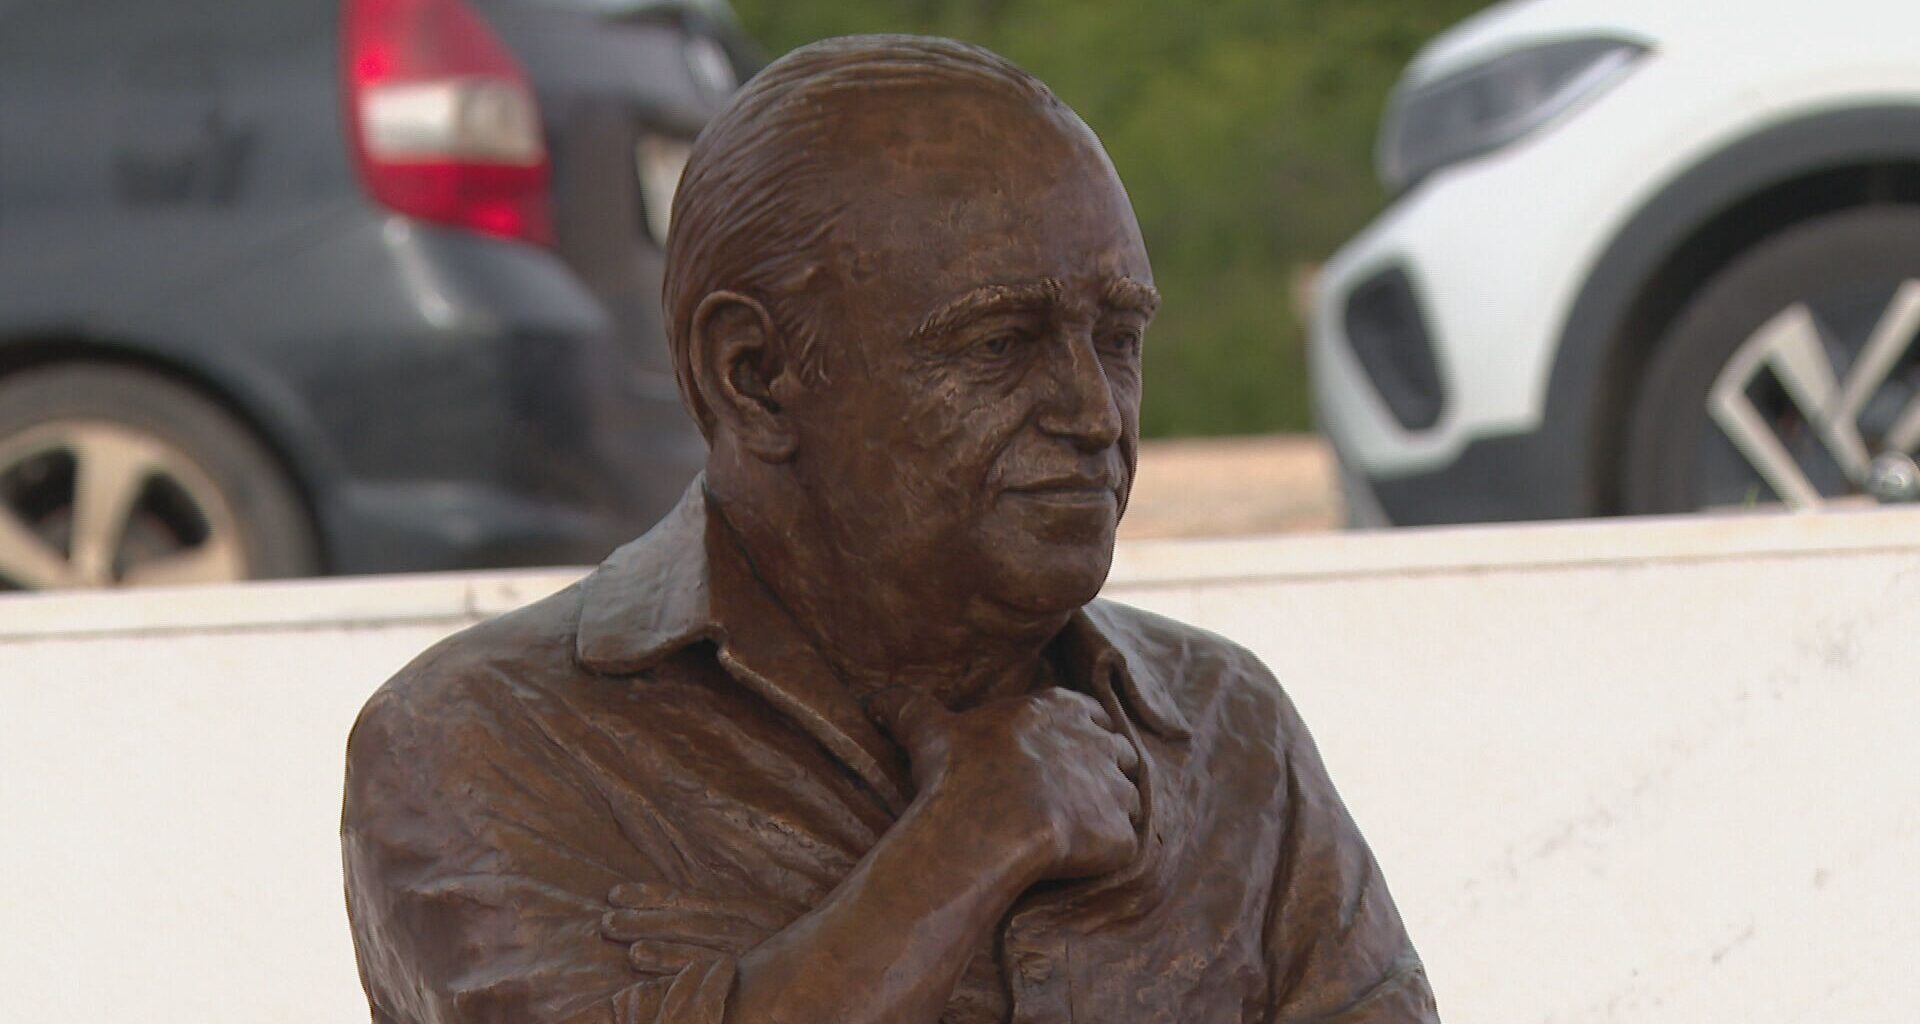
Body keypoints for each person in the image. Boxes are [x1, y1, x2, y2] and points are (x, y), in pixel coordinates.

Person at [341, 34, 1439, 1024]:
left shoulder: (1225, 729)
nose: (1095, 413)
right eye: (1000, 345)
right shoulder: (487, 741)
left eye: (1116, 338)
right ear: (755, 378)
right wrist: (963, 848)